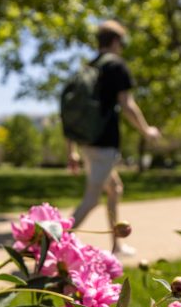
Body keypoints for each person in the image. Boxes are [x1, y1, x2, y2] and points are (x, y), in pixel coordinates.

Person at [68, 20, 160, 256]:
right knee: (91, 199)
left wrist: (72, 149)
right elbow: (127, 104)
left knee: (115, 188)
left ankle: (116, 244)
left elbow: (71, 111)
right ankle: (49, 247)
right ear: (116, 41)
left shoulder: (88, 67)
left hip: (87, 142)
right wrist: (147, 130)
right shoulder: (115, 66)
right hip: (104, 143)